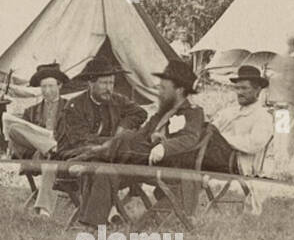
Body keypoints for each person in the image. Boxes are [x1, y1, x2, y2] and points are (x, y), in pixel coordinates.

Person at [72, 59, 240, 226]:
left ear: (179, 90)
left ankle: (84, 159)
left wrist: (163, 147)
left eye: (164, 88)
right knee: (105, 169)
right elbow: (141, 135)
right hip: (143, 160)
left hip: (167, 165)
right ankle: (95, 224)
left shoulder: (193, 113)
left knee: (125, 139)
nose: (160, 92)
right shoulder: (161, 113)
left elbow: (190, 138)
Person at [3, 62, 70, 216]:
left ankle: (44, 211)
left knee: (51, 162)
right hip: (38, 154)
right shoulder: (31, 111)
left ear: (59, 86)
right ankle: (49, 147)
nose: (47, 91)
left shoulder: (71, 107)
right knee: (14, 128)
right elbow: (22, 142)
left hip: (63, 153)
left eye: (51, 86)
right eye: (44, 87)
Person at [58, 51, 147, 158]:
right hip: (79, 152)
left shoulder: (118, 99)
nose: (109, 88)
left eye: (111, 83)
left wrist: (122, 126)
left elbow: (140, 113)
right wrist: (117, 141)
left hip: (110, 150)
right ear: (91, 83)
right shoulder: (74, 106)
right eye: (104, 83)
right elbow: (81, 139)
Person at [211, 65, 275, 175]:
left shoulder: (263, 116)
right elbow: (211, 129)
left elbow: (253, 145)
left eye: (244, 88)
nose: (239, 92)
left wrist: (221, 138)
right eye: (237, 88)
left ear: (257, 90)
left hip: (240, 164)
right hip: (216, 157)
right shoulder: (229, 112)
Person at [266, 35, 294, 160]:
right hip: (289, 101)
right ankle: (285, 160)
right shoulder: (292, 62)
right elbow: (291, 83)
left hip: (277, 101)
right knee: (288, 133)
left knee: (280, 131)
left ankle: (278, 158)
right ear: (292, 45)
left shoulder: (275, 60)